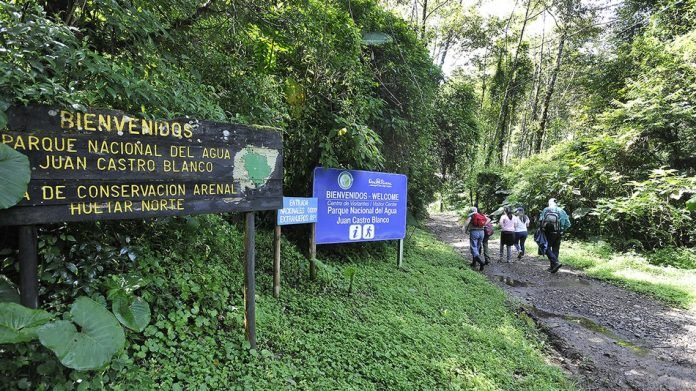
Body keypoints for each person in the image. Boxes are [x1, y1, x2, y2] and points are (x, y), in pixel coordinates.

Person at [539, 198, 571, 273]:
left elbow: (541, 219)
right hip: (558, 232)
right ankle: (553, 267)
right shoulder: (561, 210)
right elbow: (568, 223)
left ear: (549, 203)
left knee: (545, 247)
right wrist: (562, 230)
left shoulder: (546, 210)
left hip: (548, 232)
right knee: (555, 249)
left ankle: (555, 263)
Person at [464, 207, 490, 271]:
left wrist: (465, 229)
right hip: (482, 232)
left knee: (473, 248)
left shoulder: (472, 215)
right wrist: (483, 224)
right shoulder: (481, 215)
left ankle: (481, 263)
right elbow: (489, 219)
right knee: (477, 247)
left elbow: (466, 223)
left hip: (474, 232)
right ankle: (474, 263)